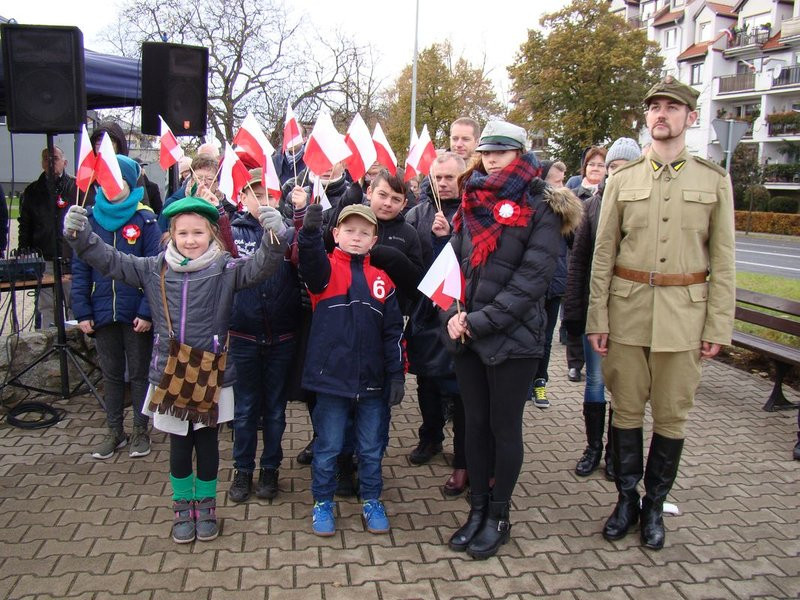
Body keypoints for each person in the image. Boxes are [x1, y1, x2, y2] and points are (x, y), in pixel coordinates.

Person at [64, 195, 288, 544]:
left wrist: (275, 236)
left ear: (212, 234)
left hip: (212, 373)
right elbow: (110, 261)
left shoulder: (226, 268)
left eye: (198, 232)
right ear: (171, 234)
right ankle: (183, 506)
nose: (190, 239)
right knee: (179, 445)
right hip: (170, 371)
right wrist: (81, 236)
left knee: (208, 443)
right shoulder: (153, 267)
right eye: (182, 232)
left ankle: (207, 506)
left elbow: (260, 266)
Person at [586, 76, 735, 551]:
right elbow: (603, 254)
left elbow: (725, 260)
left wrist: (718, 326)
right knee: (626, 411)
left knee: (672, 418)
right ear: (646, 117)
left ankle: (655, 506)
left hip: (685, 319)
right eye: (655, 107)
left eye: (673, 107)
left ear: (690, 117)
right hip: (627, 315)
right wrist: (597, 318)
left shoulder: (713, 179)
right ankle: (626, 500)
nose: (662, 114)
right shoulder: (623, 180)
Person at [443, 121, 581, 560]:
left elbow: (533, 280)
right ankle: (477, 510)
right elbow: (454, 265)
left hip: (514, 338)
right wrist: (451, 314)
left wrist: (478, 321)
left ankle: (499, 516)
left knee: (504, 430)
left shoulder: (541, 203)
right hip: (468, 334)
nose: (491, 157)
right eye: (486, 151)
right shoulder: (472, 195)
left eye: (501, 151)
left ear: (521, 153)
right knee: (475, 428)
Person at [298, 203, 404, 537]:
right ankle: (322, 502)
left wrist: (397, 372)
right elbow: (310, 262)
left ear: (374, 239)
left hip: (372, 382)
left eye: (364, 232)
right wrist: (308, 234)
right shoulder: (325, 272)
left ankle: (372, 499)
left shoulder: (383, 281)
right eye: (349, 231)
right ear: (336, 235)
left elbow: (393, 334)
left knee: (371, 448)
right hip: (331, 381)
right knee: (328, 446)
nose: (356, 238)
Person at [71, 155, 161, 460]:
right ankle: (114, 430)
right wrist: (82, 311)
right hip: (101, 312)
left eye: (116, 180)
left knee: (138, 373)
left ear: (128, 183)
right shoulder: (90, 220)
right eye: (104, 180)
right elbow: (81, 267)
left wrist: (147, 311)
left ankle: (140, 429)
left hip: (135, 313)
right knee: (110, 374)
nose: (110, 187)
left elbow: (154, 270)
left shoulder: (145, 220)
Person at [562, 137, 642, 478]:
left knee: (624, 386)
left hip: (631, 311)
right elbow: (578, 263)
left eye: (623, 167)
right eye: (612, 167)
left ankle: (615, 453)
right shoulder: (592, 206)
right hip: (596, 311)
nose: (615, 173)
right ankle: (593, 448)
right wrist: (574, 314)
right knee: (594, 380)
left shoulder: (643, 207)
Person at [227, 169, 301, 503]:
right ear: (241, 198)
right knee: (244, 411)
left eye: (269, 194)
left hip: (282, 335)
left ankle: (270, 468)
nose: (262, 201)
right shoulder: (232, 231)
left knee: (274, 410)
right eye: (254, 194)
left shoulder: (287, 232)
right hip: (243, 334)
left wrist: (289, 229)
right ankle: (242, 470)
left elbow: (303, 260)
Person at [405, 152, 469, 496]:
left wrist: (447, 239)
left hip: (459, 311)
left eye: (449, 177)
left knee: (460, 390)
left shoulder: (473, 210)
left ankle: (463, 456)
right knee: (427, 382)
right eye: (438, 177)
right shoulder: (418, 213)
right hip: (427, 311)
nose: (443, 183)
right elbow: (414, 262)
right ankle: (430, 438)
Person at [528, 161, 582, 410]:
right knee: (528, 336)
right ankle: (524, 381)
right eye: (553, 181)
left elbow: (574, 244)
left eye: (561, 181)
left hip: (555, 283)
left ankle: (540, 382)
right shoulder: (531, 205)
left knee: (546, 339)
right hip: (530, 285)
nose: (558, 186)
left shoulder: (562, 209)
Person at [18, 146, 79, 329]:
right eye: (46, 159)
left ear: (64, 162)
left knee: (73, 303)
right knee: (46, 306)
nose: (50, 162)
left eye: (55, 158)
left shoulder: (75, 188)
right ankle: (48, 343)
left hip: (70, 256)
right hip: (44, 257)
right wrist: (24, 249)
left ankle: (75, 341)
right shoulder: (32, 191)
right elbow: (25, 224)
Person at [565, 146, 607, 383]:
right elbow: (567, 235)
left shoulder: (610, 196)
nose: (596, 169)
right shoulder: (574, 195)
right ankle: (574, 362)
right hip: (578, 259)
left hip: (600, 263)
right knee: (576, 312)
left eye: (601, 165)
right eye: (592, 164)